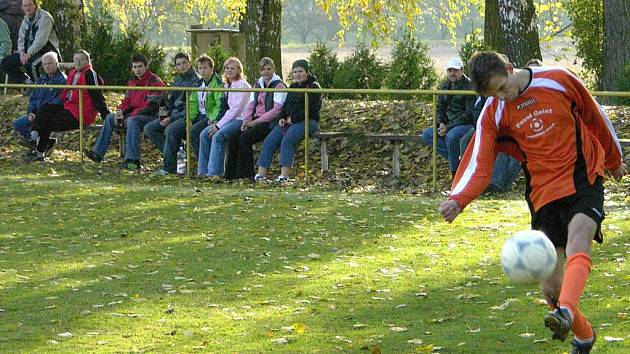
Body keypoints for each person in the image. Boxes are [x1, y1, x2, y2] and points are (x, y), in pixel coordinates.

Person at [439, 51, 626, 354]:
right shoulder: (494, 110)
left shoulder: (558, 80)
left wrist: (613, 158)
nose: (502, 97)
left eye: (502, 88)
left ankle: (564, 312)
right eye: (493, 94)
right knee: (551, 289)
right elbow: (480, 158)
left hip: (583, 175)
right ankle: (582, 333)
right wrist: (459, 199)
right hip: (543, 191)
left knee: (580, 238)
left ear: (510, 69)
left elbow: (594, 115)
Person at [26, 50, 109, 162]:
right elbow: (65, 93)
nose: (78, 62)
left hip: (81, 113)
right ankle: (35, 144)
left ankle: (38, 150)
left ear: (88, 61)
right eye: (76, 60)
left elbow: (97, 97)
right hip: (68, 108)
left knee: (47, 121)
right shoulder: (73, 73)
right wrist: (53, 105)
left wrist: (106, 115)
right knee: (45, 109)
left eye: (81, 60)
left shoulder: (90, 74)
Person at [83, 54, 165, 169]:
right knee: (110, 118)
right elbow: (126, 101)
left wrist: (130, 115)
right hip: (134, 114)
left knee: (132, 121)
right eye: (135, 67)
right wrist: (120, 112)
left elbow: (152, 106)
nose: (137, 70)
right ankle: (97, 153)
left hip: (151, 116)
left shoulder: (155, 81)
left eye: (140, 67)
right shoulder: (132, 82)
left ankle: (133, 159)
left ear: (146, 67)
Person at [255, 59, 321, 183]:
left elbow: (311, 109)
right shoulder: (293, 86)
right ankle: (261, 174)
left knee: (287, 141)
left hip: (308, 121)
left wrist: (294, 119)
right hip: (289, 121)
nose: (297, 74)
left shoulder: (314, 87)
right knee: (270, 140)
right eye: (295, 72)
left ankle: (284, 176)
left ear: (307, 72)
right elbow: (285, 106)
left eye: (300, 71)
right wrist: (282, 118)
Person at [229, 57, 287, 180]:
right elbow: (250, 105)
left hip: (270, 122)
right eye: (263, 69)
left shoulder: (279, 85)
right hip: (255, 120)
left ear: (274, 69)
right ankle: (231, 174)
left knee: (245, 138)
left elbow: (276, 110)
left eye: (268, 69)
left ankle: (246, 174)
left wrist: (254, 122)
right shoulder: (257, 84)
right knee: (234, 137)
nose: (266, 72)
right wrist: (246, 121)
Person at [144, 52, 200, 173]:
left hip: (188, 117)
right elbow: (171, 101)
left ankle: (169, 167)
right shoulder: (178, 79)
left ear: (190, 63)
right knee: (149, 128)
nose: (182, 66)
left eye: (184, 63)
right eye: (178, 64)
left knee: (171, 129)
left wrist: (171, 118)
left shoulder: (196, 80)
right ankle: (177, 153)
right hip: (174, 114)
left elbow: (191, 107)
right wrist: (165, 114)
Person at [422, 57, 475, 177]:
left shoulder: (470, 86)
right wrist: (440, 123)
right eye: (450, 70)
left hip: (466, 125)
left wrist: (448, 127)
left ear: (462, 70)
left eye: (455, 70)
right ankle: (459, 161)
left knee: (452, 137)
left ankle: (456, 174)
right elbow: (439, 107)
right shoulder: (444, 86)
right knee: (427, 135)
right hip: (448, 124)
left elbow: (468, 113)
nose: (452, 73)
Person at [197, 57, 251, 178]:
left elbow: (236, 110)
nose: (229, 70)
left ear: (239, 70)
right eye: (227, 68)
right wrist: (216, 119)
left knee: (218, 135)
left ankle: (214, 173)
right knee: (204, 134)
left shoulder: (242, 84)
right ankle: (202, 171)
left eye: (232, 68)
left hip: (240, 119)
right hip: (228, 118)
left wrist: (218, 125)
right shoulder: (227, 85)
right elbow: (224, 107)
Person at [13, 50, 64, 149]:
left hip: (52, 115)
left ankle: (37, 146)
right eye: (44, 64)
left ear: (56, 63)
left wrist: (39, 114)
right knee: (19, 124)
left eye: (49, 63)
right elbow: (32, 98)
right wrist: (31, 112)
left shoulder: (62, 80)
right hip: (37, 113)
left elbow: (57, 102)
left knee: (38, 124)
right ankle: (45, 144)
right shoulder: (41, 80)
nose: (47, 66)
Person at [1, 0, 60, 84]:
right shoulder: (26, 19)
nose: (27, 8)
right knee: (5, 62)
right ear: (22, 8)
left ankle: (38, 89)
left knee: (31, 64)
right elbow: (21, 39)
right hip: (28, 52)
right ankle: (29, 83)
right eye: (25, 6)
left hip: (47, 51)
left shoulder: (45, 17)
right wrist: (21, 52)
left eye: (29, 5)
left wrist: (29, 53)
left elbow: (41, 40)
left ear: (35, 6)